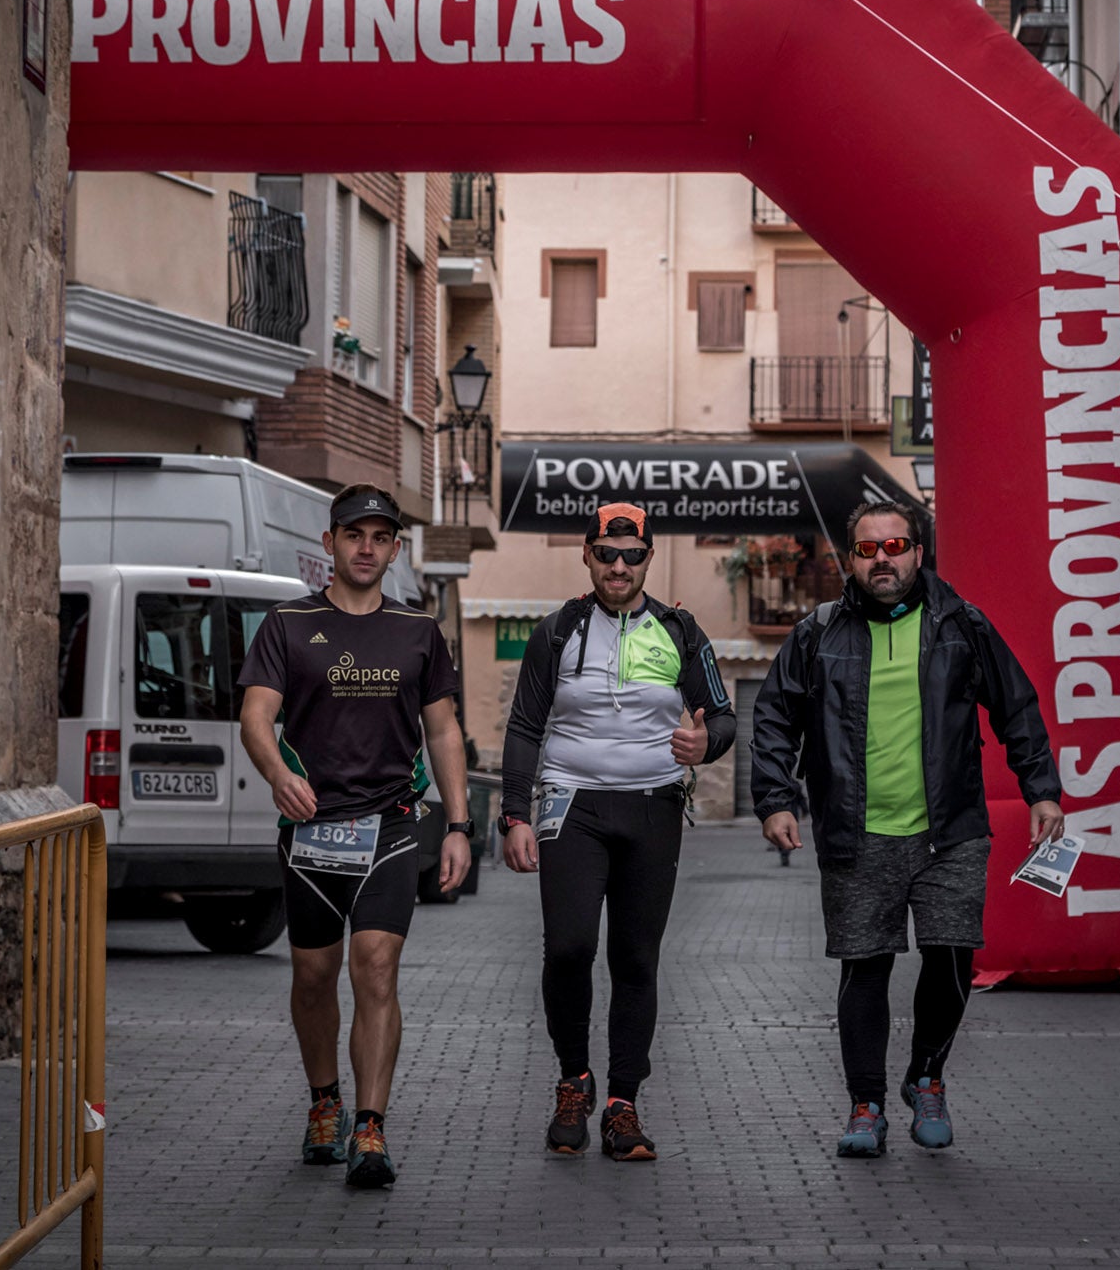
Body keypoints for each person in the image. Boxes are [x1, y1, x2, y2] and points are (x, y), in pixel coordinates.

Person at [751, 500, 1064, 1157]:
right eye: (868, 550)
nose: (883, 559)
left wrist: (1042, 789)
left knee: (952, 956)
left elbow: (1017, 707)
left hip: (949, 831)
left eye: (895, 546)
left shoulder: (960, 625)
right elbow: (774, 717)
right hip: (855, 833)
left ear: (919, 552)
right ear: (851, 560)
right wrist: (776, 799)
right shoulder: (817, 634)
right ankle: (866, 1103)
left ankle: (926, 1077)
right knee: (865, 968)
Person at [237, 483, 472, 1190]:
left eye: (380, 537)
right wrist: (276, 771)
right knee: (313, 975)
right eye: (354, 535)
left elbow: (443, 730)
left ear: (396, 549)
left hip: (391, 826)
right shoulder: (287, 623)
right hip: (310, 830)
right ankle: (324, 1101)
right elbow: (256, 714)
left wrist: (458, 823)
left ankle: (370, 1126)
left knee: (375, 966)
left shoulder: (418, 631)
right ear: (330, 542)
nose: (367, 548)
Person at [499, 502, 736, 1161]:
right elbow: (523, 726)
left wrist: (703, 743)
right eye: (608, 554)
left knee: (635, 959)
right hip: (571, 807)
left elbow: (722, 716)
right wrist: (514, 813)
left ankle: (623, 1103)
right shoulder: (556, 632)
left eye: (632, 555)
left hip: (653, 807)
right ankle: (573, 1078)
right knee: (570, 945)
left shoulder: (681, 630)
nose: (620, 566)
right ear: (588, 556)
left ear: (648, 558)